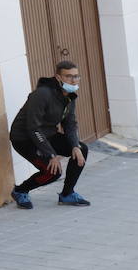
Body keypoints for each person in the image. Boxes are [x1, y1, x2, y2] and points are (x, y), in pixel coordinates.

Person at [8, 61, 90, 210]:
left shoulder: (69, 96)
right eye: (68, 76)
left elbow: (70, 124)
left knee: (81, 150)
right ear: (58, 77)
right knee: (53, 171)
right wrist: (51, 154)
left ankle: (67, 194)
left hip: (47, 134)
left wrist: (75, 145)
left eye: (76, 76)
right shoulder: (42, 94)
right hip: (25, 139)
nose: (73, 80)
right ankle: (20, 191)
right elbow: (33, 128)